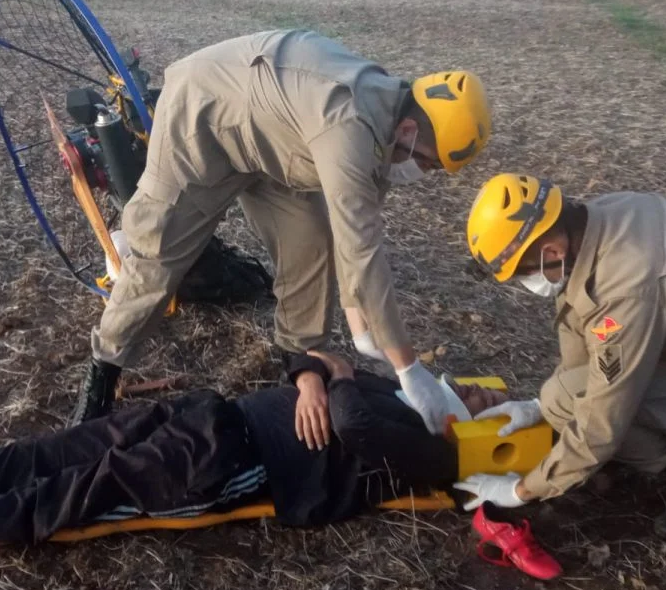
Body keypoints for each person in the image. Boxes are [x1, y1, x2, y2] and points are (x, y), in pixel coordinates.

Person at [70, 29, 493, 433]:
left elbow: (354, 241)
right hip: (204, 117)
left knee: (311, 240)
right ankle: (103, 369)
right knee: (158, 255)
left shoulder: (389, 117)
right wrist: (408, 368)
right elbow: (364, 255)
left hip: (274, 143)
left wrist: (366, 337)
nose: (423, 171)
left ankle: (298, 356)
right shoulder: (349, 122)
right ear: (408, 129)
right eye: (428, 161)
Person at [0, 353, 507, 548]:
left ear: (471, 430)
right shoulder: (406, 395)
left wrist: (338, 379)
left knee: (70, 491)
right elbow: (312, 353)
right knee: (48, 451)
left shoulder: (436, 454)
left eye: (480, 402)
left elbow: (354, 422)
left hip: (231, 467)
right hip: (211, 413)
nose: (469, 393)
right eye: (475, 391)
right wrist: (311, 375)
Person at [453, 174, 666, 543]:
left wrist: (523, 489)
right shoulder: (600, 219)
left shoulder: (628, 292)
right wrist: (544, 407)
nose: (525, 282)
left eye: (522, 273)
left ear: (552, 251)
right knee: (562, 400)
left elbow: (604, 418)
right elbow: (579, 316)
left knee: (596, 417)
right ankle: (620, 437)